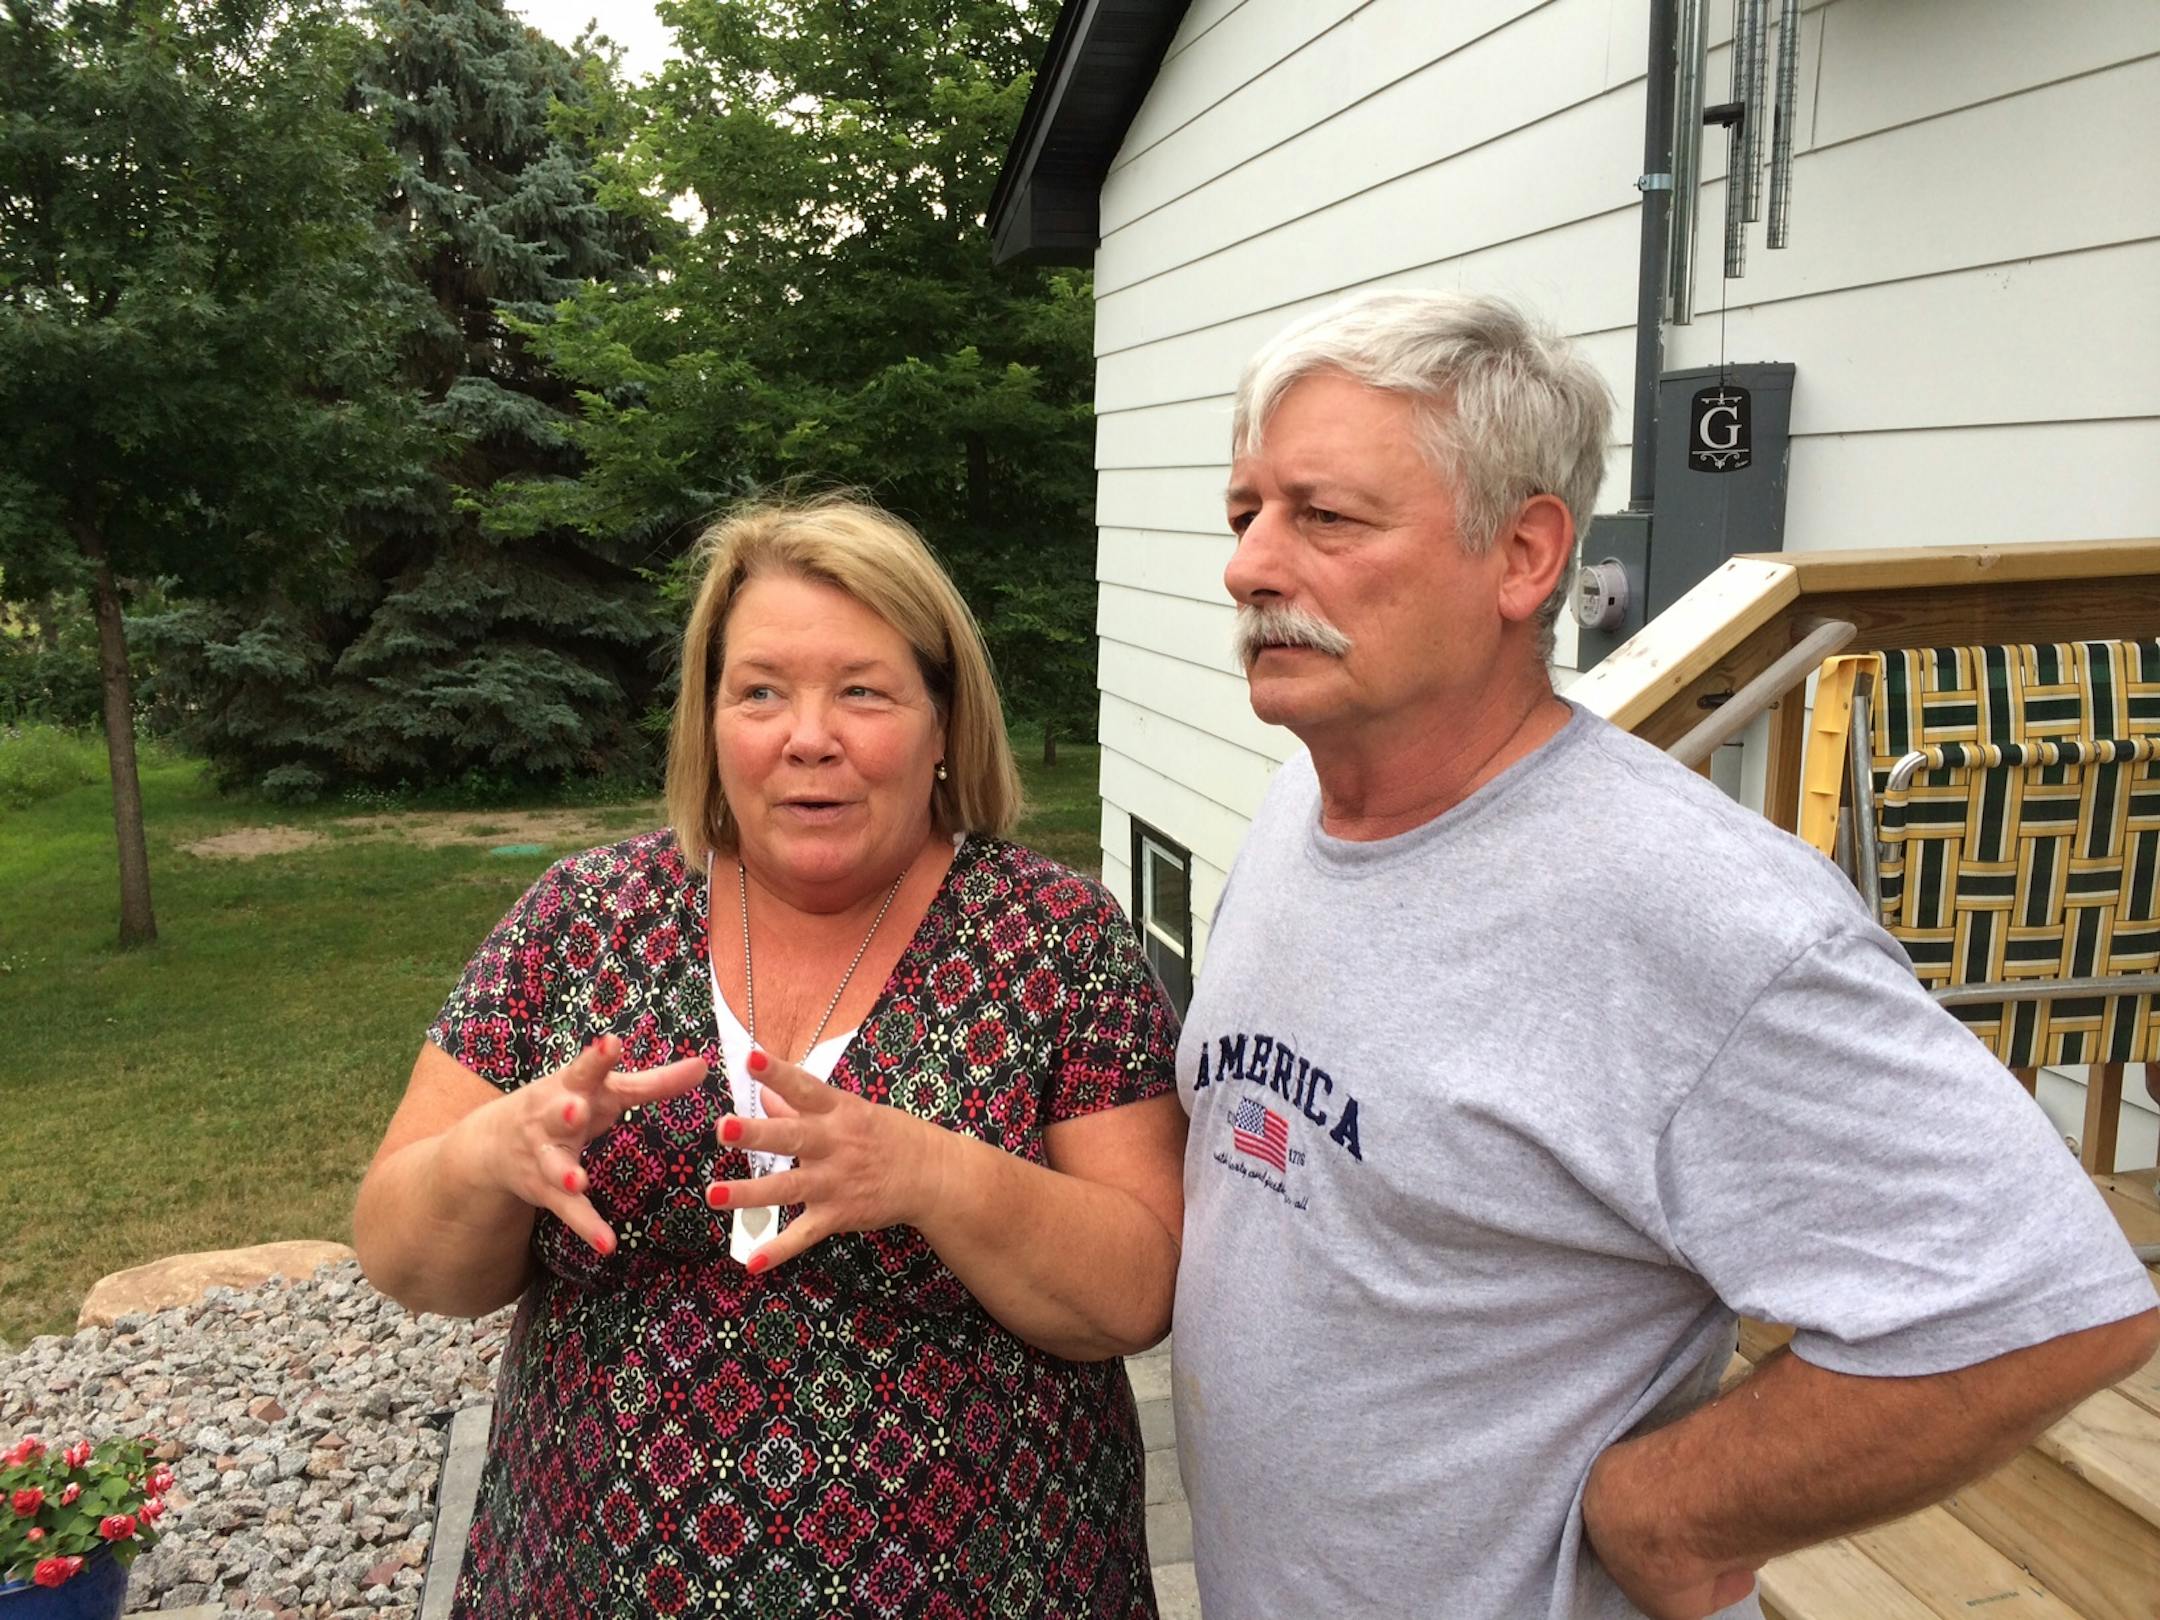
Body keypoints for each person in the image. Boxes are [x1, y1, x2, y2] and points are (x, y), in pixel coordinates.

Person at [1170, 288, 2160, 1620]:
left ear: (1525, 556)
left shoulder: (1692, 908)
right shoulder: (1303, 799)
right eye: (1246, 514)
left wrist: (1669, 1515)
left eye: (1325, 517)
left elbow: (2036, 1306)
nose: (1249, 567)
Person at [354, 495, 1186, 1620]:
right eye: (760, 692)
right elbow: (405, 1257)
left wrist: (935, 1176)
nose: (808, 736)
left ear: (944, 723)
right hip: (583, 1580)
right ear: (709, 722)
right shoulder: (581, 919)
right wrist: (486, 1158)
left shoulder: (1054, 938)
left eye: (863, 691)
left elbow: (1137, 1289)